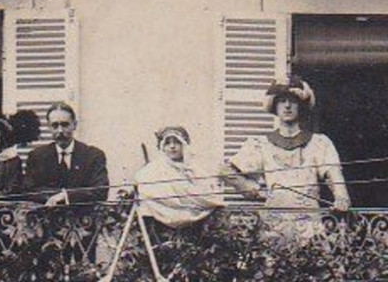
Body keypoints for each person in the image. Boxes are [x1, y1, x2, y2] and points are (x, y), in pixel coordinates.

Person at [221, 79, 351, 213]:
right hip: (274, 225)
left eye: (293, 101)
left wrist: (342, 198)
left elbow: (335, 177)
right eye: (282, 101)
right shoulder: (261, 144)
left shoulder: (319, 143)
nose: (287, 106)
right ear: (275, 107)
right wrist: (255, 190)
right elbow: (226, 171)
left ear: (301, 106)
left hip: (309, 223)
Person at [129, 126, 224, 228]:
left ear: (184, 145)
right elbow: (148, 189)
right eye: (168, 143)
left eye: (177, 142)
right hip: (162, 217)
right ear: (162, 147)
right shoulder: (152, 170)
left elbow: (207, 194)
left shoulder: (194, 168)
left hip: (196, 221)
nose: (172, 146)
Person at [19, 101, 111, 207]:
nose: (60, 131)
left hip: (84, 219)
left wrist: (66, 196)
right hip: (47, 218)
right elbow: (28, 190)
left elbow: (100, 191)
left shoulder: (93, 155)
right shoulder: (37, 156)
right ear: (49, 127)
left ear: (74, 125)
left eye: (65, 125)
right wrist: (56, 196)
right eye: (55, 125)